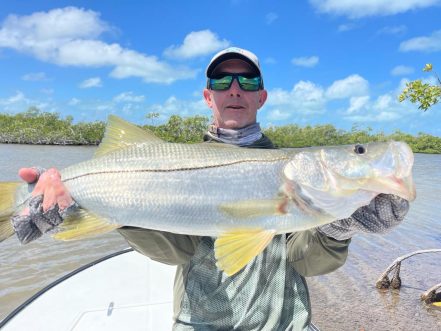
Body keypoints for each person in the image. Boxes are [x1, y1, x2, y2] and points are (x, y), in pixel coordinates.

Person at [15, 47, 409, 330]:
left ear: (261, 96)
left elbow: (307, 263)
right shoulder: (173, 158)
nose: (234, 88)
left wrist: (340, 228)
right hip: (197, 323)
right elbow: (179, 251)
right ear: (209, 97)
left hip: (289, 323)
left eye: (247, 80)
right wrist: (93, 203)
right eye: (222, 80)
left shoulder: (299, 184)